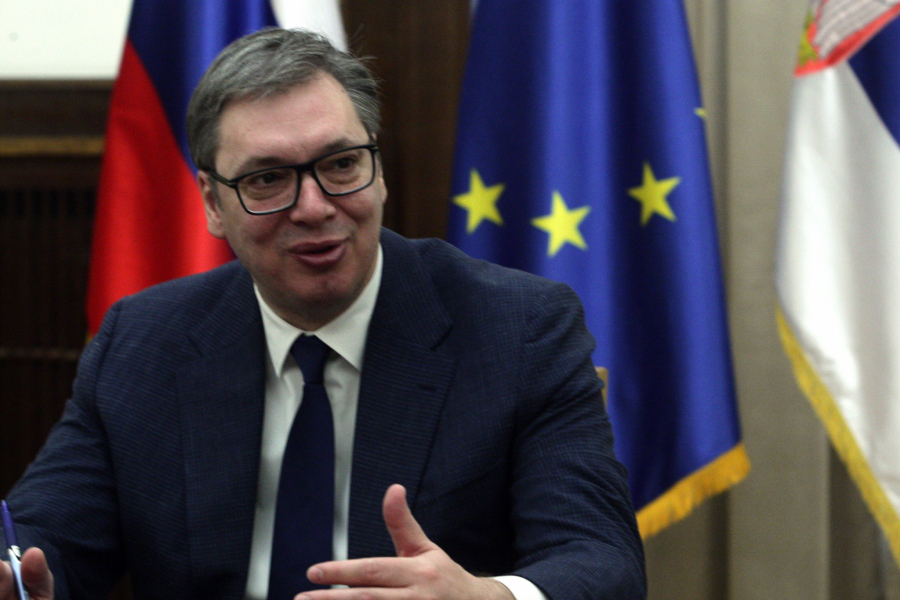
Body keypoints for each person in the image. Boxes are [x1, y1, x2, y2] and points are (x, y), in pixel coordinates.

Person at [0, 28, 645, 600]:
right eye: (267, 179)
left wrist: (488, 598)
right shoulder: (145, 341)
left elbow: (602, 561)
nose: (314, 206)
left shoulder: (519, 329)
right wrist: (17, 577)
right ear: (213, 203)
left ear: (379, 170)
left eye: (341, 165)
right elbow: (45, 536)